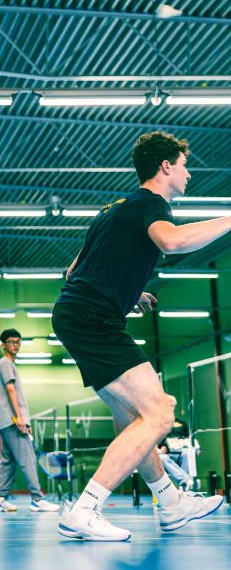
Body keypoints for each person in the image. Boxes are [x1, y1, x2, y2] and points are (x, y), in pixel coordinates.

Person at [53, 131, 228, 541]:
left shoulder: (116, 208)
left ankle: (169, 504)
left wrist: (129, 292)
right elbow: (172, 241)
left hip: (78, 314)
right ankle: (86, 508)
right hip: (93, 319)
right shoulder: (152, 204)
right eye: (184, 165)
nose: (188, 174)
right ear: (166, 166)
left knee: (133, 419)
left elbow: (74, 270)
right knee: (161, 413)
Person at [0, 329, 60, 514]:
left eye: (18, 342)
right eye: (11, 341)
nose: (15, 345)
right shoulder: (6, 363)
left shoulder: (7, 364)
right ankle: (37, 499)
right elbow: (11, 391)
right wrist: (20, 417)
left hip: (7, 421)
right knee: (28, 458)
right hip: (13, 420)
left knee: (8, 461)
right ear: (3, 345)